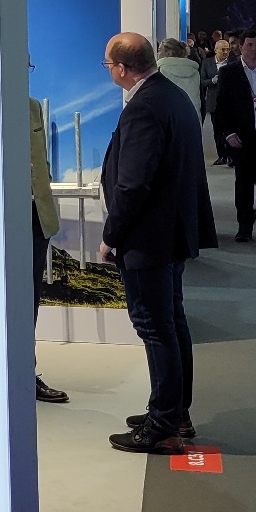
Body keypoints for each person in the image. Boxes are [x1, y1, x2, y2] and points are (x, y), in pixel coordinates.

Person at [98, 33, 217, 453]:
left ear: (121, 68)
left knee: (155, 326)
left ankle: (163, 425)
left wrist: (111, 236)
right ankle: (174, 411)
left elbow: (132, 184)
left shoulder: (144, 107)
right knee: (170, 321)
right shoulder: (173, 96)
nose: (109, 71)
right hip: (171, 232)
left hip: (148, 237)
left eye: (108, 64)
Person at [213, 31, 256, 243]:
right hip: (241, 136)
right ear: (241, 47)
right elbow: (221, 106)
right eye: (250, 45)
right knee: (243, 183)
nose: (254, 49)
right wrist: (228, 133)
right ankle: (244, 226)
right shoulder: (229, 73)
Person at [29, 97, 69, 403]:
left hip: (35, 217)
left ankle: (24, 372)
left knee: (29, 300)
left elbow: (40, 161)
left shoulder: (31, 106)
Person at [155, 38, 202, 118]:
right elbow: (201, 99)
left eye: (159, 50)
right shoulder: (194, 71)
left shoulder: (160, 71)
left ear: (169, 53)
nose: (157, 53)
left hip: (170, 118)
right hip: (193, 116)